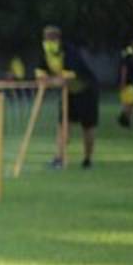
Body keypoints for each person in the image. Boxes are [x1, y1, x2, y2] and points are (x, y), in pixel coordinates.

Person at [35, 25, 99, 169]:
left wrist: (52, 81)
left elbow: (67, 78)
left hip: (86, 91)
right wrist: (43, 79)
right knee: (63, 125)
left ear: (58, 39)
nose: (48, 42)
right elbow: (40, 73)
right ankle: (59, 158)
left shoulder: (70, 51)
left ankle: (88, 159)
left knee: (88, 127)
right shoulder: (45, 52)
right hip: (68, 93)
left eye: (52, 39)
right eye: (46, 39)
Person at [117, 38, 133, 128]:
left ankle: (124, 120)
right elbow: (124, 67)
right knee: (131, 102)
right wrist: (122, 82)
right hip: (127, 82)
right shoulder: (128, 53)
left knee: (130, 103)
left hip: (131, 82)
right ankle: (124, 120)